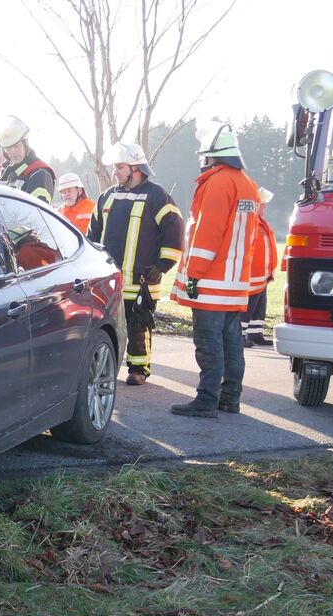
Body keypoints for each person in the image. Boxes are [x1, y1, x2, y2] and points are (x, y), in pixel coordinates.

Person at [169, 124, 262, 417]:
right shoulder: (247, 184)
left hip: (211, 282)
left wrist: (194, 274)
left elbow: (207, 233)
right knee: (232, 342)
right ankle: (230, 398)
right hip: (234, 285)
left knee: (208, 343)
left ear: (211, 156)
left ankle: (206, 400)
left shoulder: (217, 183)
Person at [87, 142, 184, 385]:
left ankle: (138, 370)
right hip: (108, 282)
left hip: (141, 280)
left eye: (120, 167)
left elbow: (174, 233)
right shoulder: (107, 197)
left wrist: (162, 265)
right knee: (102, 327)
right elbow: (92, 236)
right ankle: (102, 369)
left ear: (136, 167)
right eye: (115, 167)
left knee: (139, 327)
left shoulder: (157, 197)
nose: (115, 172)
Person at [243, 187, 278, 347]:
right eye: (263, 204)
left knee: (259, 306)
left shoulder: (261, 222)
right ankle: (240, 335)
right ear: (256, 205)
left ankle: (255, 333)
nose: (265, 207)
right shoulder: (250, 222)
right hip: (252, 275)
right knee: (248, 306)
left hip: (262, 275)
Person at [0, 115, 56, 203]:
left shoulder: (40, 173)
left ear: (25, 144)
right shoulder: (6, 171)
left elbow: (35, 212)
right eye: (8, 148)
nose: (12, 152)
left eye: (16, 146)